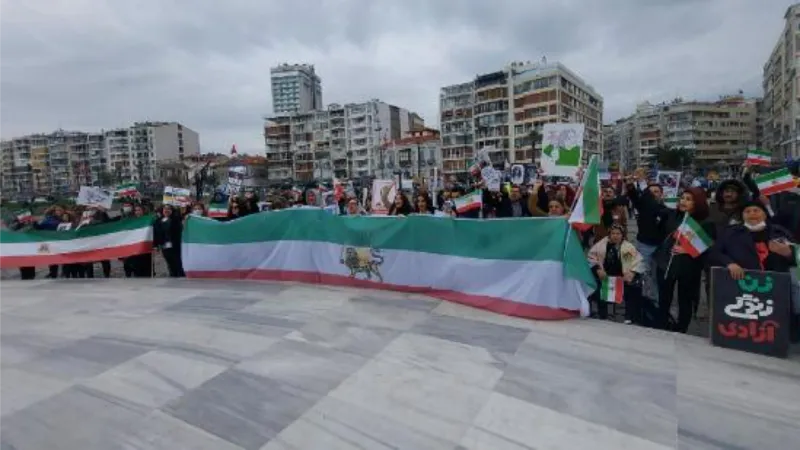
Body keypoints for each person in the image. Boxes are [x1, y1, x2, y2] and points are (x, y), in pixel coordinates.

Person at [654, 187, 713, 333]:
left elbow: (708, 247)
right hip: (667, 263)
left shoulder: (705, 222)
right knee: (664, 298)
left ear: (697, 202)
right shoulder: (672, 216)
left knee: (685, 300)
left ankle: (681, 329)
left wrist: (688, 250)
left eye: (688, 199)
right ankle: (662, 324)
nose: (683, 202)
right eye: (682, 198)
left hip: (689, 267)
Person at [711, 200, 795, 278]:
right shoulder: (730, 233)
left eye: (756, 210)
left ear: (765, 214)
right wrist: (729, 263)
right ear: (742, 216)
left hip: (777, 283)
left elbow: (797, 254)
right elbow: (715, 253)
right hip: (743, 282)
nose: (752, 213)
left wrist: (790, 253)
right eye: (747, 211)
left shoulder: (779, 231)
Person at [588, 224, 645, 323]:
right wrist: (598, 269)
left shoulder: (628, 247)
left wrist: (632, 272)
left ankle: (629, 317)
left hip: (622, 278)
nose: (615, 236)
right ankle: (603, 315)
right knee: (597, 287)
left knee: (634, 289)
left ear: (622, 235)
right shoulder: (601, 245)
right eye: (613, 233)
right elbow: (591, 258)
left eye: (618, 234)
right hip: (605, 277)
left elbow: (638, 261)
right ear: (609, 234)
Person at [154, 204, 184, 277]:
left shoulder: (176, 219)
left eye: (169, 209)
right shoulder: (158, 220)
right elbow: (156, 233)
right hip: (164, 245)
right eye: (165, 209)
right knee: (169, 262)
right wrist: (155, 245)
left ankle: (180, 276)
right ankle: (173, 275)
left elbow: (179, 230)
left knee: (178, 262)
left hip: (176, 245)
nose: (166, 210)